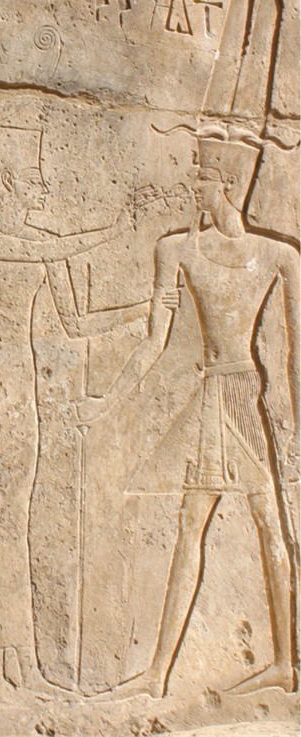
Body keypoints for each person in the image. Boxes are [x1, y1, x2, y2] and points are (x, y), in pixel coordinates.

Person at [0, 96, 176, 698]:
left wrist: (142, 313)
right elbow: (37, 251)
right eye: (32, 179)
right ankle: (0, 662)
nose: (43, 189)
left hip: (22, 381)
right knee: (2, 516)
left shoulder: (39, 242)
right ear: (6, 183)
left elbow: (75, 323)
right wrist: (114, 230)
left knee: (16, 518)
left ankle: (18, 660)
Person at [78, 137, 299, 698]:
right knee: (191, 525)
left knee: (268, 523)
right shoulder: (176, 249)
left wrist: (295, 423)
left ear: (229, 184)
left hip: (243, 398)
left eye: (202, 178)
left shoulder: (279, 256)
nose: (193, 187)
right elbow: (155, 341)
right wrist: (108, 400)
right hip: (211, 397)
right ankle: (158, 675)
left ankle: (283, 663)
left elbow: (295, 355)